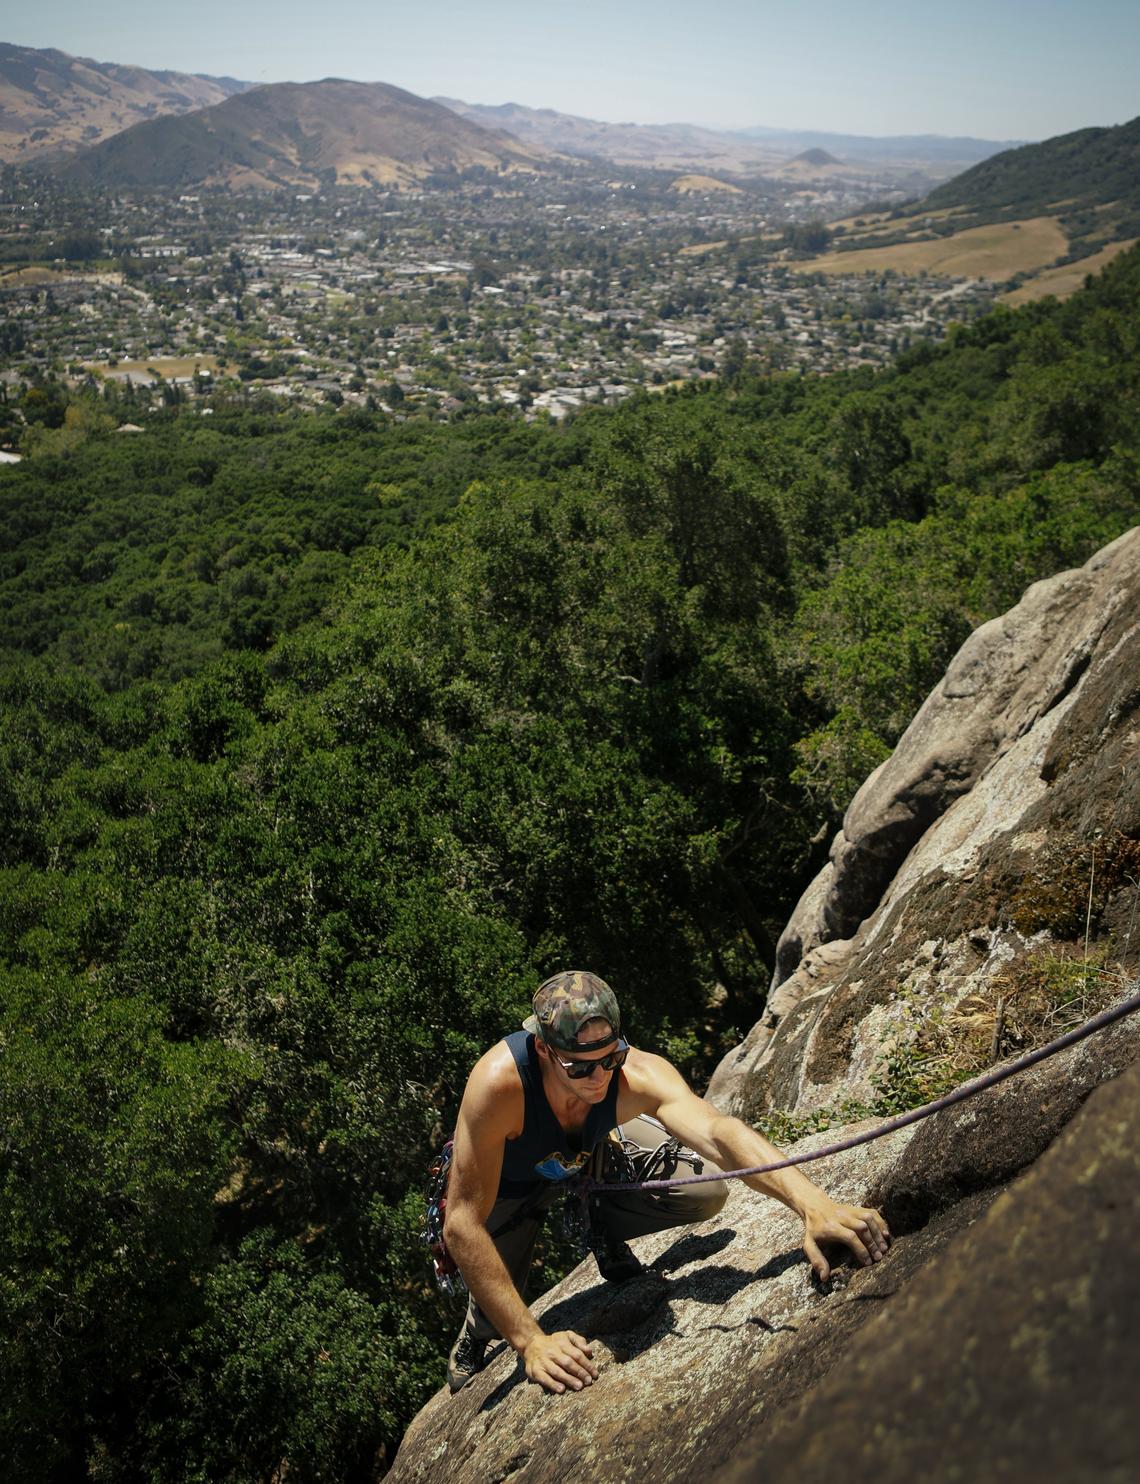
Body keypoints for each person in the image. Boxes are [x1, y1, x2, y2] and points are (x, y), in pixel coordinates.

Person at [443, 970, 891, 1395]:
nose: (599, 1077)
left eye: (610, 1058)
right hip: (510, 1180)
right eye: (580, 1068)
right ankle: (475, 1334)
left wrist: (813, 1204)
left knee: (703, 1189)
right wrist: (530, 1342)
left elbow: (718, 1131)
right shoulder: (500, 1086)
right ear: (544, 1051)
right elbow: (462, 1224)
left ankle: (602, 1223)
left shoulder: (636, 1074)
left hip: (588, 1153)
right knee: (493, 1301)